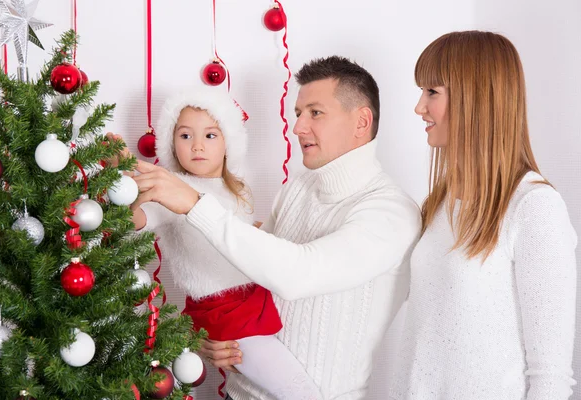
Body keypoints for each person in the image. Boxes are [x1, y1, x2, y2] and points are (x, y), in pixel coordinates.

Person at [131, 56, 422, 399]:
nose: (298, 127)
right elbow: (248, 265)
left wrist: (194, 203)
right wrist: (213, 338)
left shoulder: (391, 213)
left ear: (361, 122)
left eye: (315, 112)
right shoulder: (297, 188)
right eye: (298, 113)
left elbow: (298, 274)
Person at [389, 31, 577, 399]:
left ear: (474, 97)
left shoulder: (534, 208)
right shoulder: (440, 203)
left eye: (432, 92)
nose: (419, 107)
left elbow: (550, 376)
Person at [110, 87, 322, 399]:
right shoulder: (170, 190)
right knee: (296, 389)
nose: (197, 145)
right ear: (172, 143)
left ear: (227, 143)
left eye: (209, 135)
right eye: (185, 136)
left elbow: (244, 235)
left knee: (289, 378)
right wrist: (125, 185)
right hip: (226, 314)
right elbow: (136, 221)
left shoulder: (238, 189)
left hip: (255, 297)